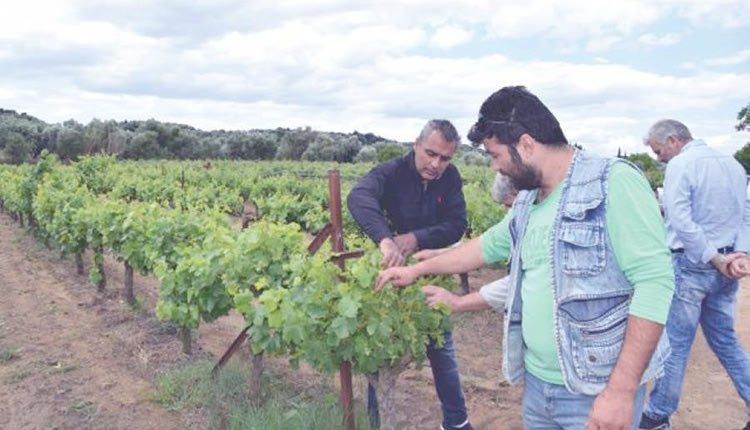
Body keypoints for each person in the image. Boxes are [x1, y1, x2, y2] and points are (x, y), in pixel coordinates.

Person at [376, 86, 675, 430]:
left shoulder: (613, 182)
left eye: (495, 155)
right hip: (537, 387)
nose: (495, 167)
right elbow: (484, 247)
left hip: (593, 391)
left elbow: (655, 284)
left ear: (527, 145)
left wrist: (621, 392)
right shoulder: (527, 201)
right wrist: (418, 270)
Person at [347, 119, 472, 430]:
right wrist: (385, 239)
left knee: (441, 349)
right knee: (381, 354)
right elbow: (358, 197)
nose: (436, 164)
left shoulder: (450, 178)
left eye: (445, 158)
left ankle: (456, 422)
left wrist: (416, 238)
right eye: (430, 153)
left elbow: (457, 225)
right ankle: (378, 423)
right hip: (388, 273)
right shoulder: (390, 172)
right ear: (416, 145)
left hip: (431, 273)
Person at [638, 120, 750, 430]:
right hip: (725, 265)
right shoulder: (732, 164)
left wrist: (715, 259)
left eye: (658, 151)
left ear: (673, 140)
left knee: (675, 343)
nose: (658, 158)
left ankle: (658, 414)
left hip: (692, 264)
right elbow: (746, 211)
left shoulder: (681, 165)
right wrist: (739, 254)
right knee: (725, 340)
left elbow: (681, 221)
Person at [414, 172, 517, 309]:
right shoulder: (516, 221)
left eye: (510, 205)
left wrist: (459, 302)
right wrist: (439, 254)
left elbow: (518, 285)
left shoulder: (531, 221)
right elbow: (485, 246)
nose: (507, 210)